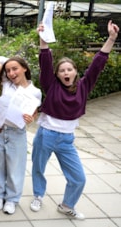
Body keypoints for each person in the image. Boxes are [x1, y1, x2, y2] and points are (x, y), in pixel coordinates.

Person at [30, 20, 119, 220]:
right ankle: (37, 196)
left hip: (67, 139)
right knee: (38, 168)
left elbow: (98, 63)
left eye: (69, 69)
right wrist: (43, 40)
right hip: (46, 135)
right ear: (57, 75)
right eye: (62, 70)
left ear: (75, 72)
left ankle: (67, 205)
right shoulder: (51, 85)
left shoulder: (84, 86)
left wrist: (111, 38)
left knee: (79, 178)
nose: (66, 73)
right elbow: (45, 63)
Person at [0, 29, 41, 215]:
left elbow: (34, 114)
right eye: (8, 70)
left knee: (15, 166)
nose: (11, 72)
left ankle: (12, 199)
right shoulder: (6, 83)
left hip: (17, 133)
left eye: (15, 69)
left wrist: (31, 119)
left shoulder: (35, 92)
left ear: (24, 68)